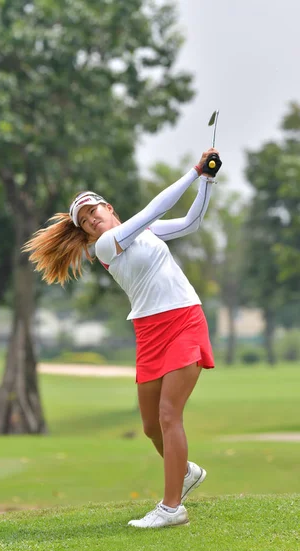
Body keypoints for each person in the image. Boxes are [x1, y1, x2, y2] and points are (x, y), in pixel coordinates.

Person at [24, 148, 221, 528]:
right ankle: (186, 472)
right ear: (85, 233)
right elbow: (152, 211)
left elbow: (191, 223)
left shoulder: (140, 232)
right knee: (150, 426)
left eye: (94, 211)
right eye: (84, 221)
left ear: (109, 208)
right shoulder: (105, 246)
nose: (92, 220)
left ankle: (171, 508)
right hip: (148, 332)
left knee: (168, 415)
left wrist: (207, 181)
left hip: (183, 319)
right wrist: (194, 171)